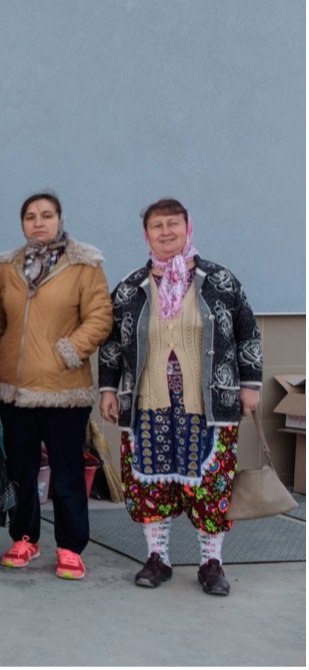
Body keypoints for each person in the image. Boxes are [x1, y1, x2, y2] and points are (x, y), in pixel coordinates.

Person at [99, 199, 262, 596]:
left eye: (174, 224)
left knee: (211, 484)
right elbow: (112, 345)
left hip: (207, 404)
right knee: (151, 485)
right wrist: (107, 388)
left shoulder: (220, 281)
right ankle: (158, 559)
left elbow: (248, 332)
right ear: (147, 234)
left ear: (188, 228)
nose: (166, 231)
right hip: (146, 404)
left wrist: (250, 385)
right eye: (158, 225)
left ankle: (211, 563)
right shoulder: (130, 288)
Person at [0, 191, 113, 580]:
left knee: (67, 472)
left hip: (64, 389)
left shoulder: (84, 265)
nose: (38, 222)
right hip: (15, 388)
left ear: (60, 218)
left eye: (46, 215)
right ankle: (24, 537)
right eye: (30, 216)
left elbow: (100, 316)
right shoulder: (7, 266)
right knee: (21, 470)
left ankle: (70, 547)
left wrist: (68, 351)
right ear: (22, 223)